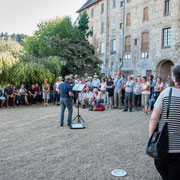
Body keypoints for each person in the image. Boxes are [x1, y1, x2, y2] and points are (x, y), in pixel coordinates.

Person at [149, 65, 180, 180]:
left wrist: (152, 138)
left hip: (164, 143)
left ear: (175, 78)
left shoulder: (167, 93)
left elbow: (153, 119)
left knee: (161, 166)